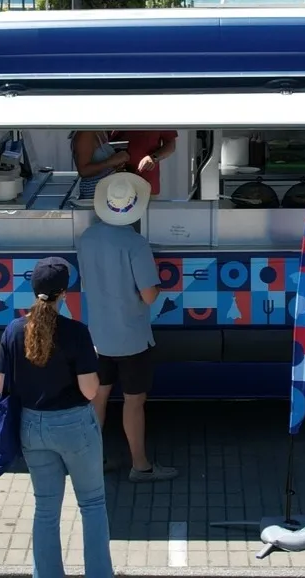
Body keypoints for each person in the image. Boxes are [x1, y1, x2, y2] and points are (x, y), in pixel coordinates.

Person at [0, 257, 122, 578]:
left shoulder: (13, 331)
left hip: (32, 427)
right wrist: (92, 361)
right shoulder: (76, 332)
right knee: (93, 504)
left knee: (46, 510)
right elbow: (88, 391)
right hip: (74, 427)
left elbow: (2, 386)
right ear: (64, 293)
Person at [76, 171, 178, 483]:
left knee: (98, 398)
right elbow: (148, 296)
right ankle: (140, 466)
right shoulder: (136, 244)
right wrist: (159, 288)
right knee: (134, 402)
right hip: (132, 339)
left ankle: (93, 462)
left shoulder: (86, 239)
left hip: (97, 337)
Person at [109, 130, 177, 197]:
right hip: (112, 184)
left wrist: (153, 158)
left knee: (147, 207)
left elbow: (170, 145)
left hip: (145, 184)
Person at [71, 130, 130, 200]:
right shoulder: (86, 132)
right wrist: (111, 161)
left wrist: (116, 164)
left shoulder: (99, 130)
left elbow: (102, 163)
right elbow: (83, 171)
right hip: (94, 196)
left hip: (107, 194)